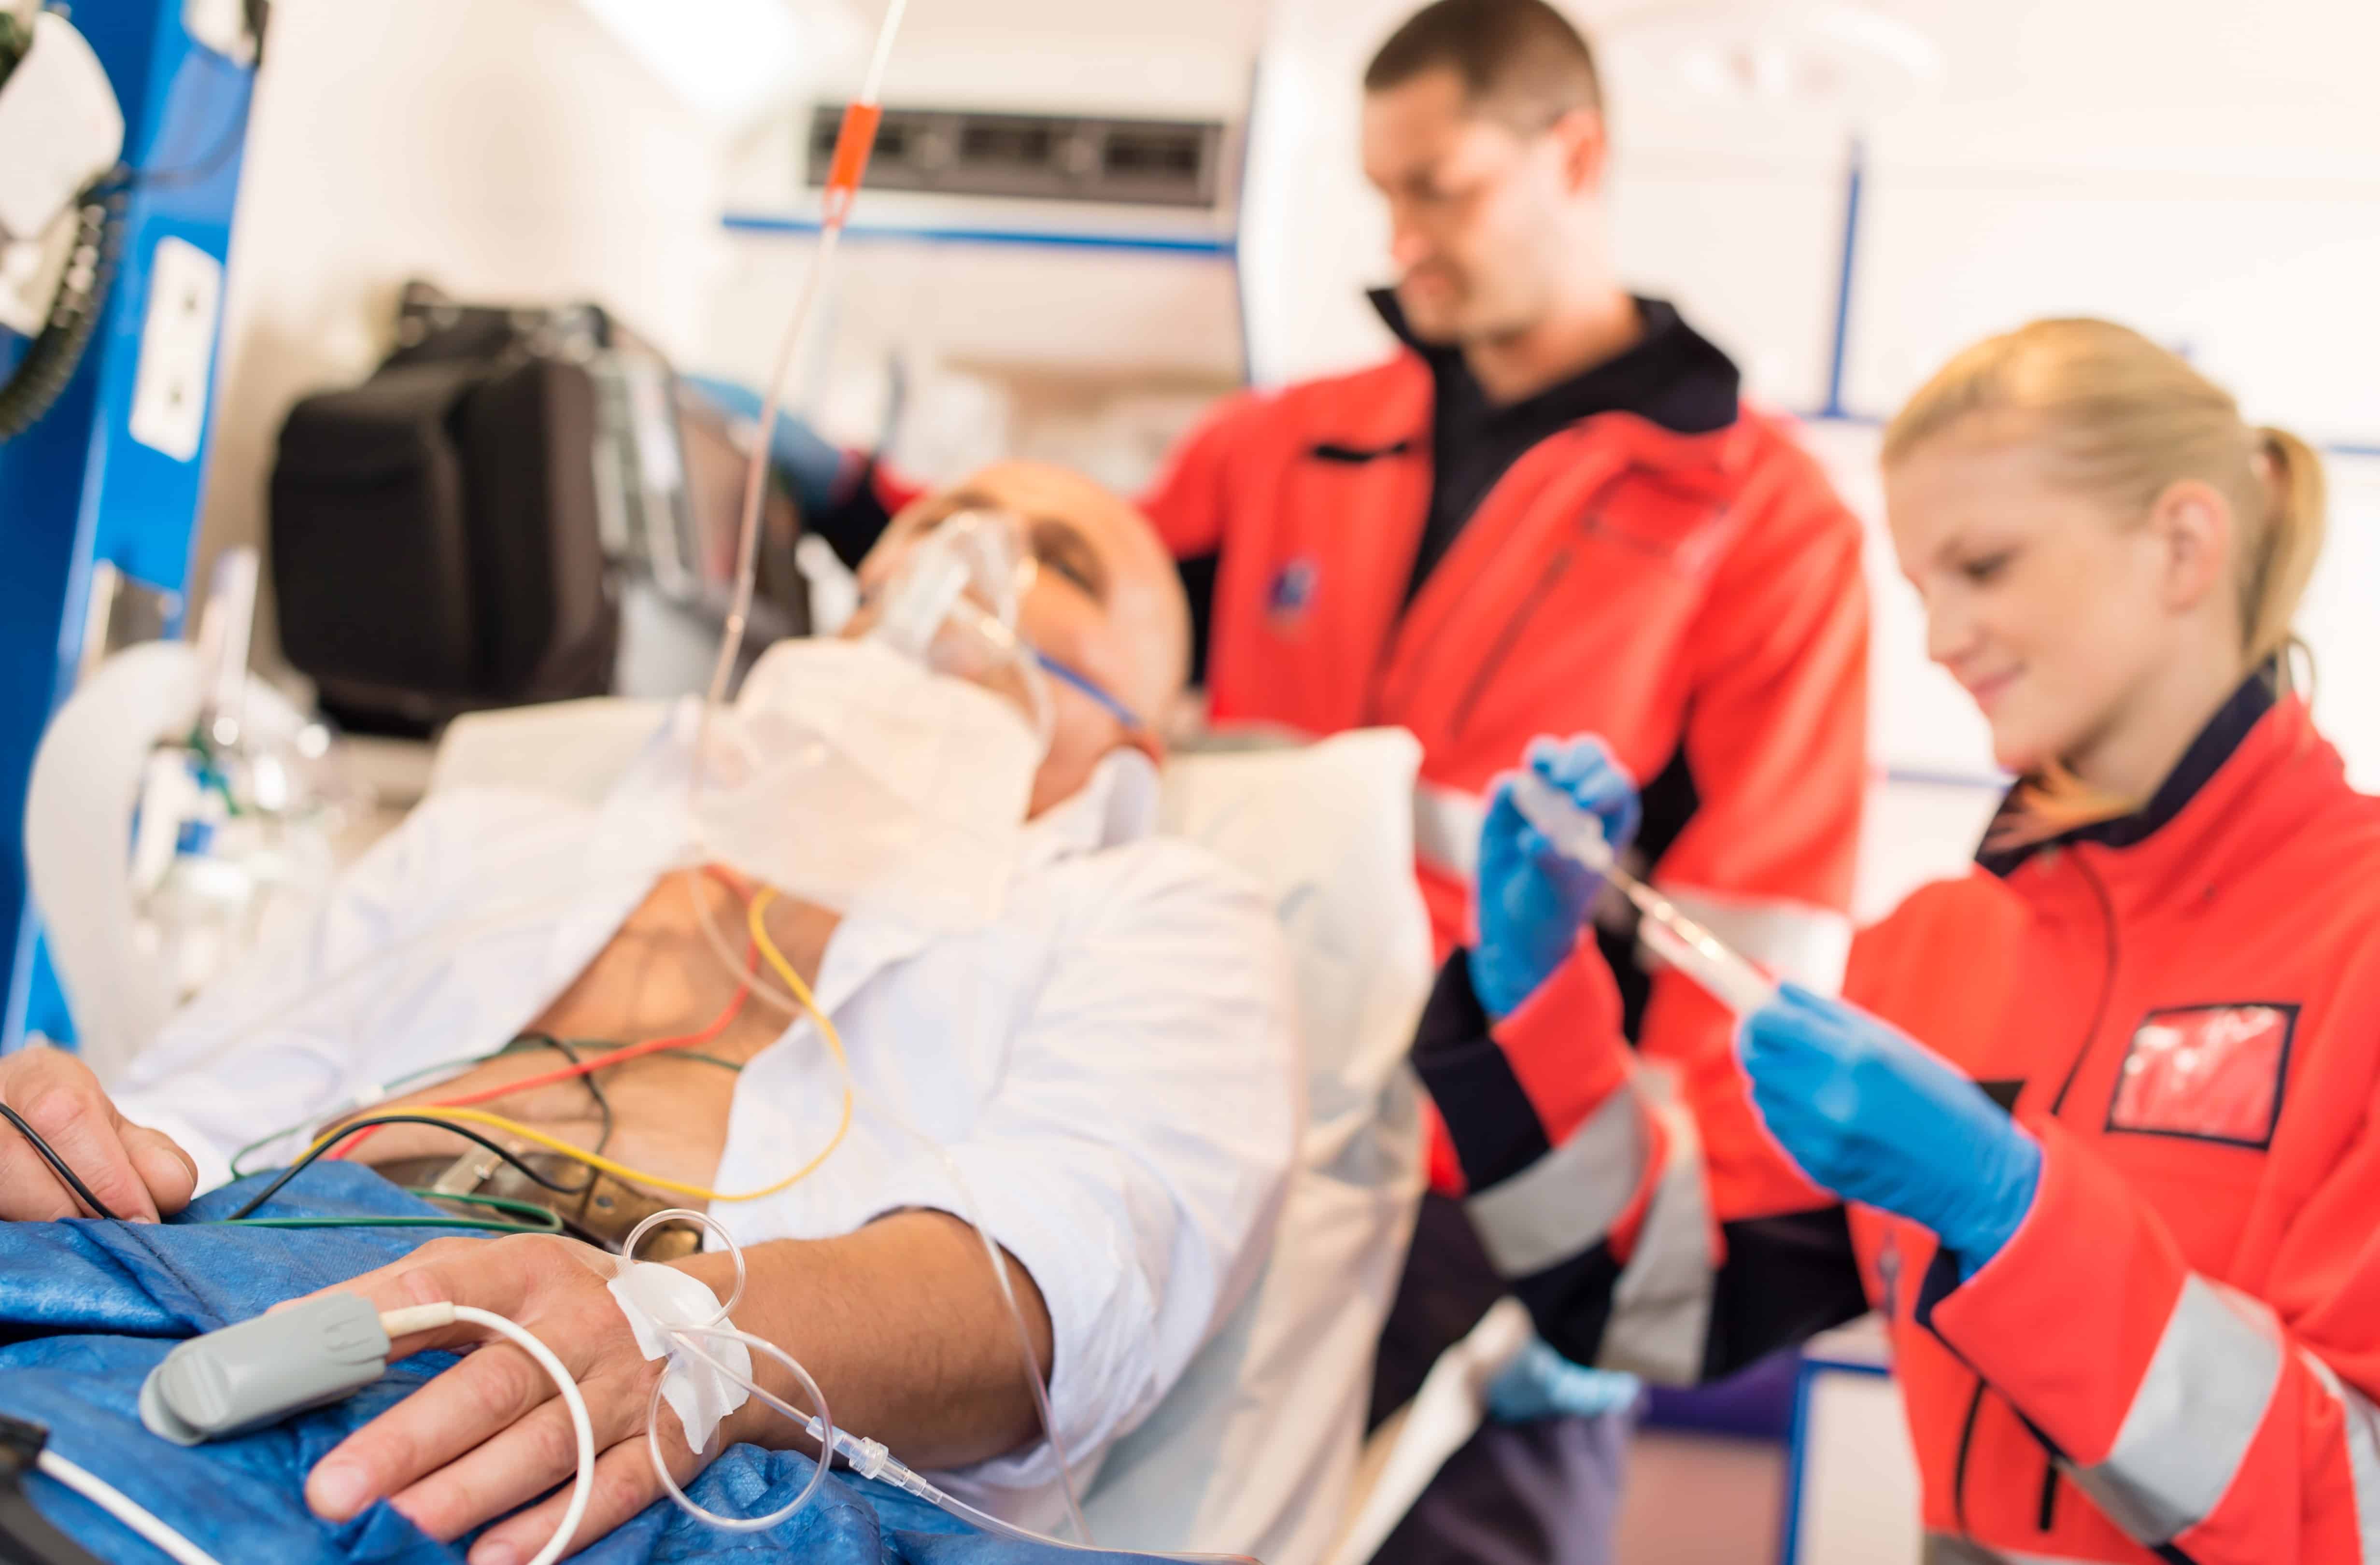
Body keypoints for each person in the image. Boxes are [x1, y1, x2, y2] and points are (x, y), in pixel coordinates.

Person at [785, 2, 1871, 1552]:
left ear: (1577, 155)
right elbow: (1080, 612)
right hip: (1226, 1098)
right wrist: (847, 495)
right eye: (1384, 194)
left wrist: (1622, 1267)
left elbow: (1753, 958)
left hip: (1497, 1196)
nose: (1405, 240)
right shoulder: (1290, 447)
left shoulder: (1761, 525)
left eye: (1443, 189)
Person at [0, 462, 1300, 1563]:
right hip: (216, 1289)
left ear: (1141, 747)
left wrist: (690, 1335)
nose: (964, 563)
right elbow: (182, 1123)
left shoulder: (1159, 916)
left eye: (1058, 558)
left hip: (685, 1452)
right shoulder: (495, 847)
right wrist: (67, 1135)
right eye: (929, 526)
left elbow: (1053, 1291)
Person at [1428, 318, 2380, 1564]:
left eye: (1985, 568)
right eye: (1925, 588)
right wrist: (1535, 1006)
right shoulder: (1934, 957)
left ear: (2185, 544)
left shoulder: (2359, 939)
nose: (1939, 641)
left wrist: (2021, 1222)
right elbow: (1652, 1299)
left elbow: (2353, 1510)